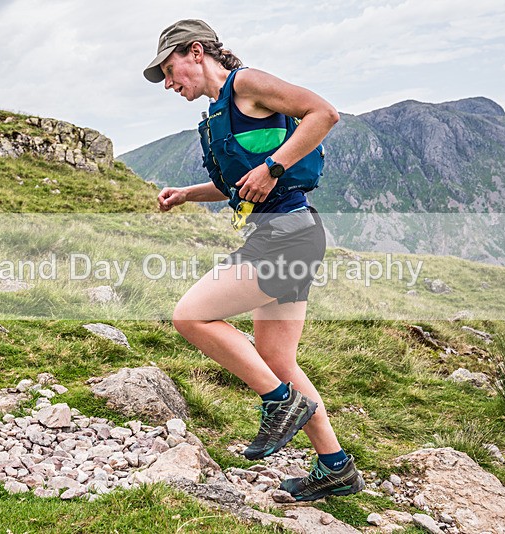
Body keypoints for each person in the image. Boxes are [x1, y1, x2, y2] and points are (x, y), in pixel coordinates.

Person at [143, 19, 364, 501]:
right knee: (278, 358)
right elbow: (236, 185)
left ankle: (279, 403)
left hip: (286, 237)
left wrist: (273, 166)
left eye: (170, 70)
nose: (170, 83)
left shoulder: (245, 84)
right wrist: (186, 194)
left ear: (196, 52)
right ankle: (336, 466)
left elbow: (323, 113)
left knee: (191, 315)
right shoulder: (218, 114)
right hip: (293, 233)